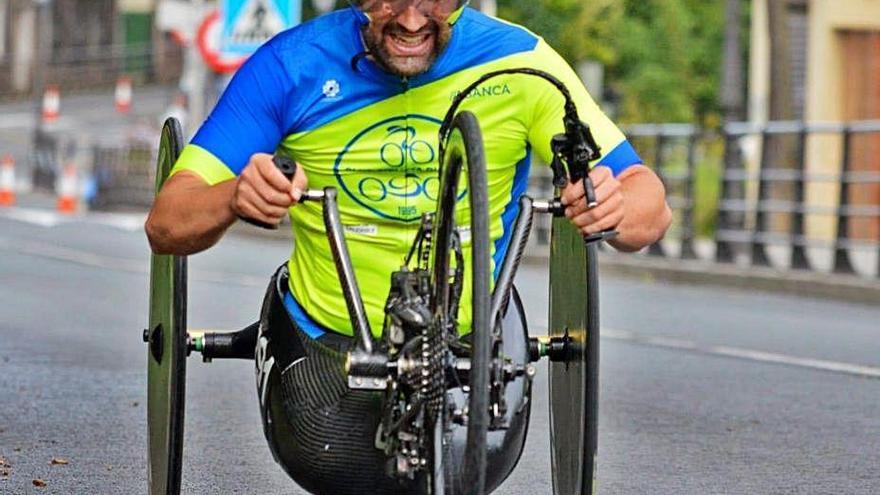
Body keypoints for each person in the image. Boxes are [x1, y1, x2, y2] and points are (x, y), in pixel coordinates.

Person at [145, 1, 671, 492]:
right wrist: (236, 195)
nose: (413, 20)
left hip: (473, 344)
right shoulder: (289, 66)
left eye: (437, 0)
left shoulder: (522, 64)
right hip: (323, 349)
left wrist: (613, 206)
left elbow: (650, 205)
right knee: (340, 472)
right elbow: (168, 222)